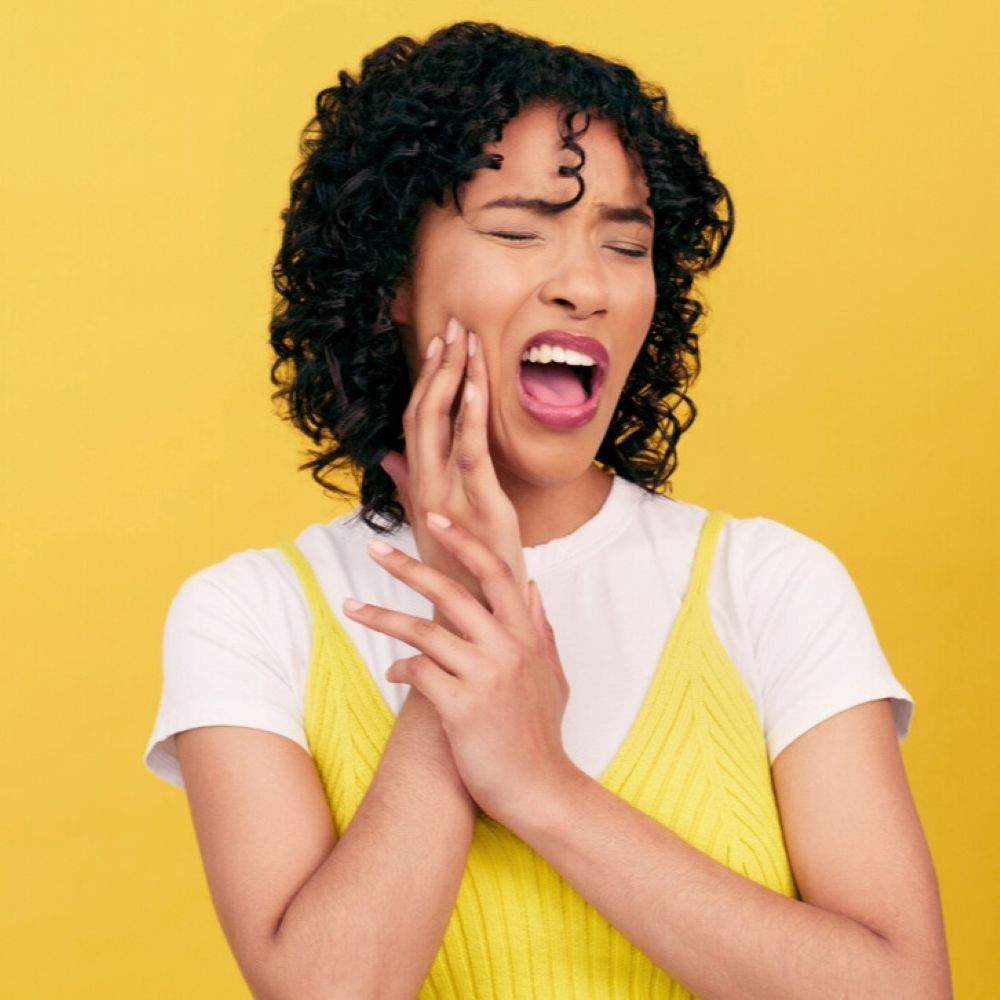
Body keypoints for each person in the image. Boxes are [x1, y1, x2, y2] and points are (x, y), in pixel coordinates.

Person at [144, 21, 950, 998]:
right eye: (518, 231)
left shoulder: (770, 584)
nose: (585, 285)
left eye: (625, 243)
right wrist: (463, 617)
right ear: (392, 277)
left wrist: (538, 783)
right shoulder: (247, 613)